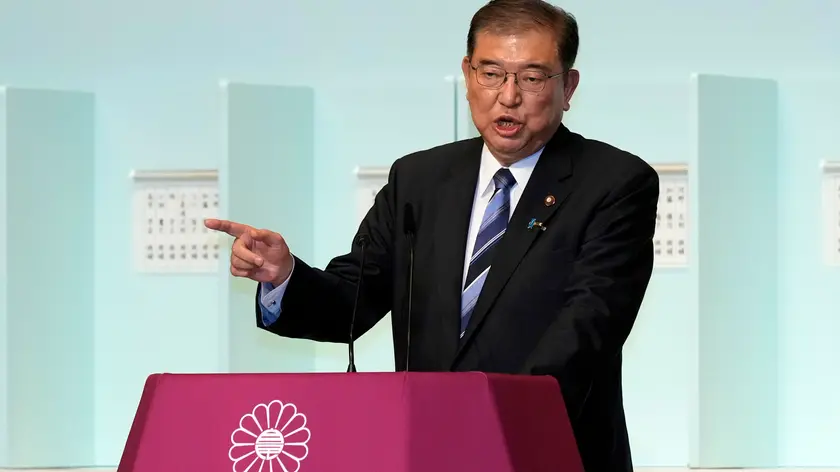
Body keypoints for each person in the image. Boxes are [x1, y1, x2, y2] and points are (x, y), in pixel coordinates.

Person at [205, 0, 658, 470]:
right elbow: (351, 302)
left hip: (548, 448)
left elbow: (589, 328)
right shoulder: (419, 180)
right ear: (467, 75)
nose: (508, 96)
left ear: (569, 86)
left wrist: (492, 418)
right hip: (425, 448)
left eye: (532, 77)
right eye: (491, 73)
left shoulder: (613, 183)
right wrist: (284, 277)